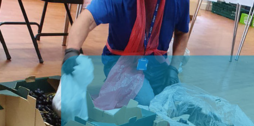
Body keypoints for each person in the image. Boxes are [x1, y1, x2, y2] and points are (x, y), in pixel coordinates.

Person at [62, 0, 190, 107]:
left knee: (176, 102)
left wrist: (173, 68)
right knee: (145, 103)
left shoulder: (178, 2)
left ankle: (121, 89)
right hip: (120, 61)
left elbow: (182, 33)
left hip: (156, 62)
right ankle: (115, 84)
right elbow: (87, 19)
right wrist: (71, 52)